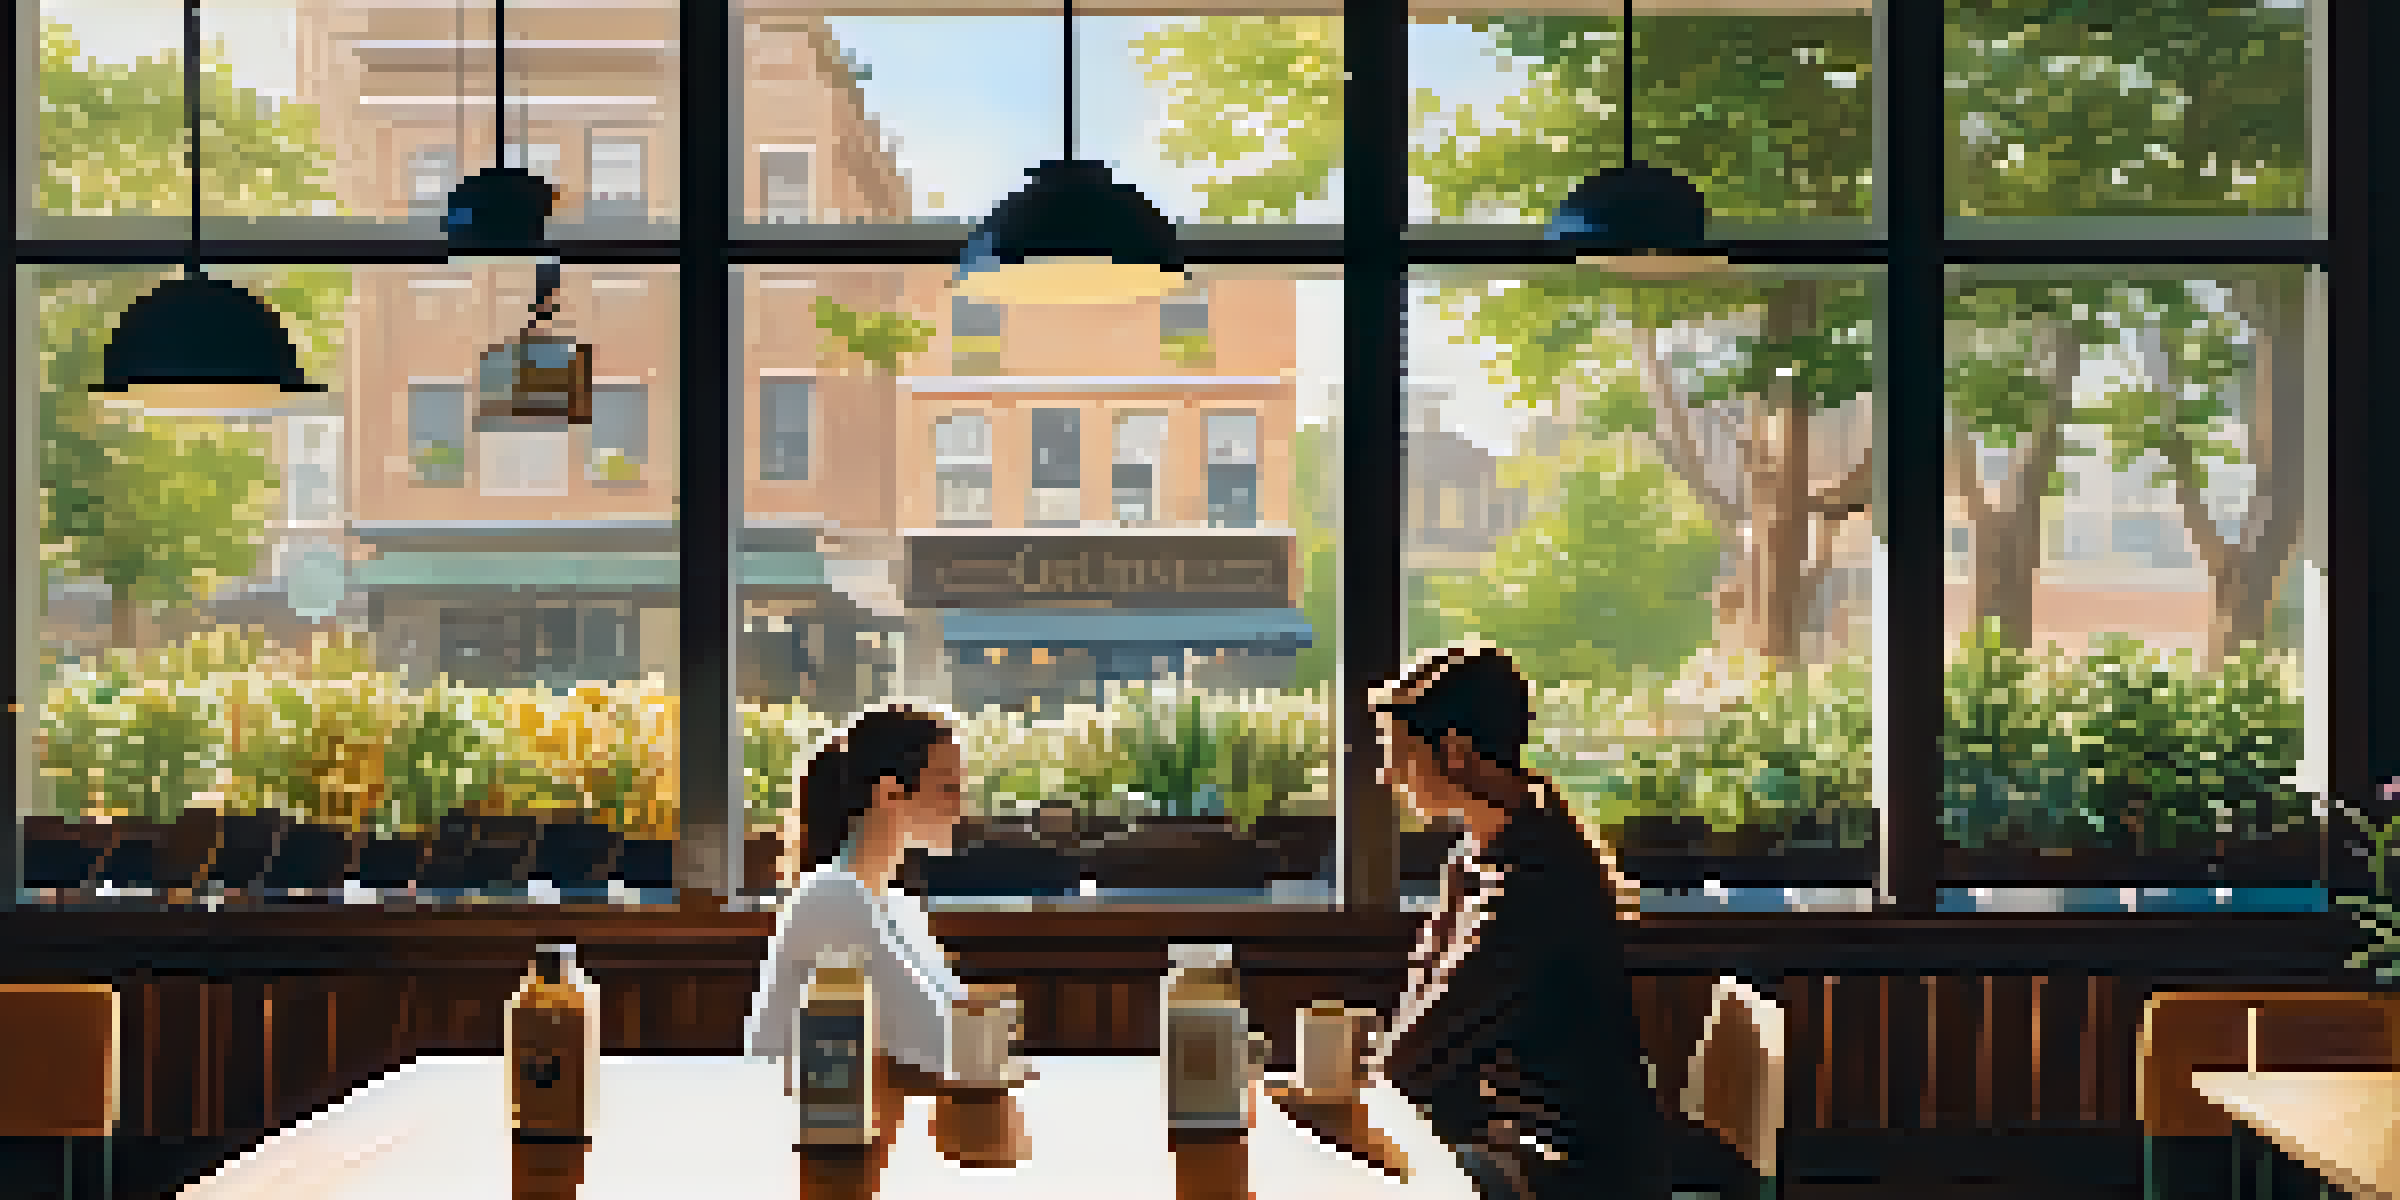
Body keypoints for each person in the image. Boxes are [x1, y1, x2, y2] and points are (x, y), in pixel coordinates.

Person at [1358, 641, 1668, 1200]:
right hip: (1523, 1146)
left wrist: (1319, 1088)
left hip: (1565, 1172)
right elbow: (1424, 1021)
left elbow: (1416, 1057)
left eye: (1397, 754)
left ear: (1454, 752)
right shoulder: (1500, 843)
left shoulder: (1527, 882)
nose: (1385, 776)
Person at [743, 702, 1030, 1177]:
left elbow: (975, 1039)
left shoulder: (896, 905)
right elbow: (948, 1044)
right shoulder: (831, 897)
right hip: (807, 1146)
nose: (961, 806)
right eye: (947, 788)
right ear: (889, 795)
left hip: (863, 1132)